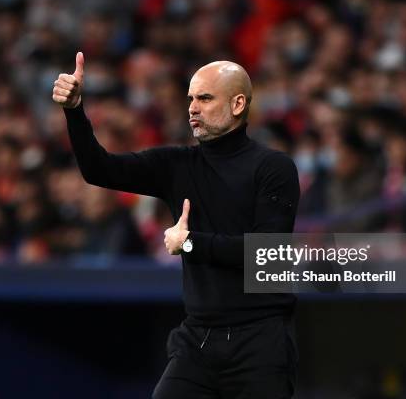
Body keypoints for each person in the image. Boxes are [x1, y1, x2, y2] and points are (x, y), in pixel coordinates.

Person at [53, 52, 300, 398]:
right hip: (197, 340)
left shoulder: (273, 168)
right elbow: (98, 169)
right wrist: (75, 110)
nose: (192, 108)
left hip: (260, 342)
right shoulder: (175, 165)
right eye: (190, 99)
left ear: (238, 103)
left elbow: (266, 252)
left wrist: (189, 243)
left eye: (205, 98)